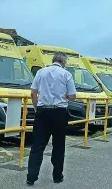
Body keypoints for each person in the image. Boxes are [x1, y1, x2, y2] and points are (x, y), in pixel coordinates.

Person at [26, 52, 77, 186]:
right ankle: (57, 176)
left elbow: (33, 93)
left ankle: (31, 177)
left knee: (37, 145)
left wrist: (37, 109)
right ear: (63, 62)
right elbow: (72, 96)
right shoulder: (66, 74)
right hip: (59, 113)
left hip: (42, 112)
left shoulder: (41, 72)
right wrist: (64, 96)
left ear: (53, 60)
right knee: (59, 146)